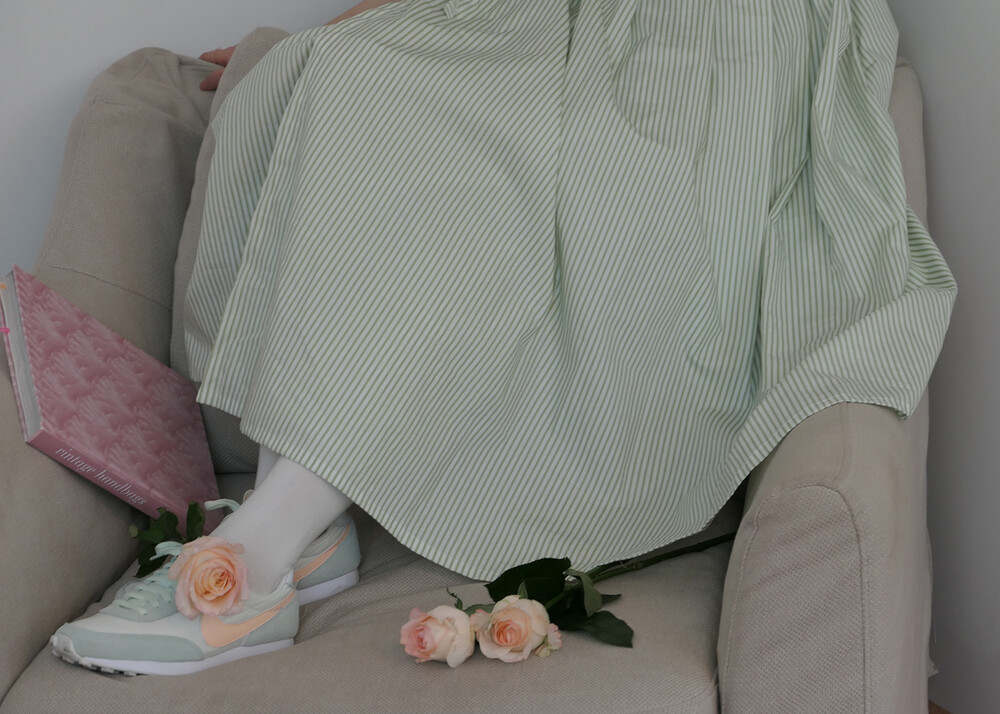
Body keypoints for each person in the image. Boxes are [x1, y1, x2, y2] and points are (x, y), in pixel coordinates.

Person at [50, 0, 955, 677]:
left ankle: (257, 558)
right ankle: (301, 521)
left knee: (580, 181)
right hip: (551, 14)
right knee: (347, 73)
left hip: (722, 36)